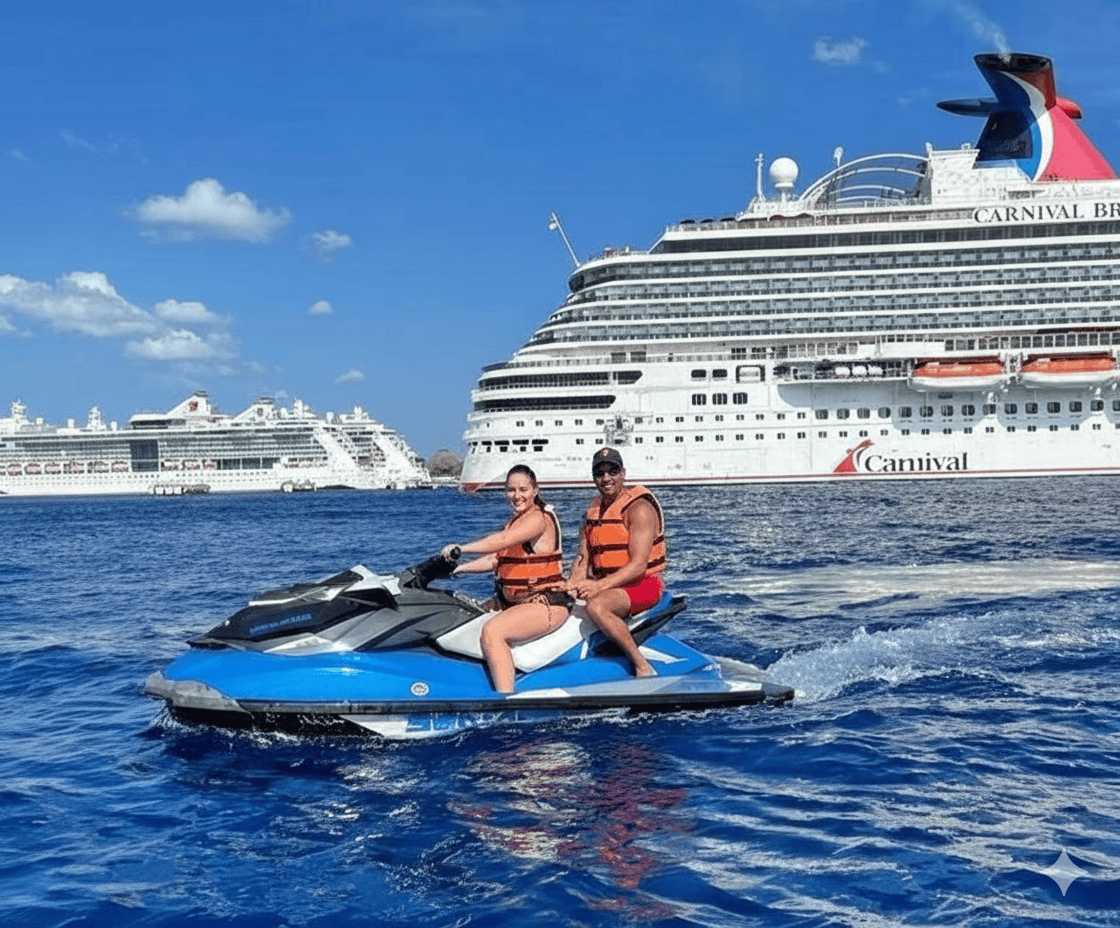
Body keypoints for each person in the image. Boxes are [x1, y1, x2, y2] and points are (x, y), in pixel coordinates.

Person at [442, 464, 570, 693]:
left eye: (523, 489)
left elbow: (499, 541)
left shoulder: (538, 519)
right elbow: (496, 559)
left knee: (493, 631)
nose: (517, 495)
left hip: (545, 603)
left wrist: (461, 548)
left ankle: (505, 698)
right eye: (511, 490)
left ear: (535, 490)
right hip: (513, 603)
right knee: (461, 615)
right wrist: (457, 570)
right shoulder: (516, 521)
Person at [564, 447, 667, 678]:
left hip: (644, 584)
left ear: (623, 473)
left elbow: (638, 566)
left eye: (613, 471)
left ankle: (641, 664)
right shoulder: (593, 510)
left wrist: (597, 587)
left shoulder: (639, 509)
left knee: (597, 606)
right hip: (610, 584)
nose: (606, 478)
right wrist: (571, 586)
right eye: (600, 473)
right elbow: (583, 558)